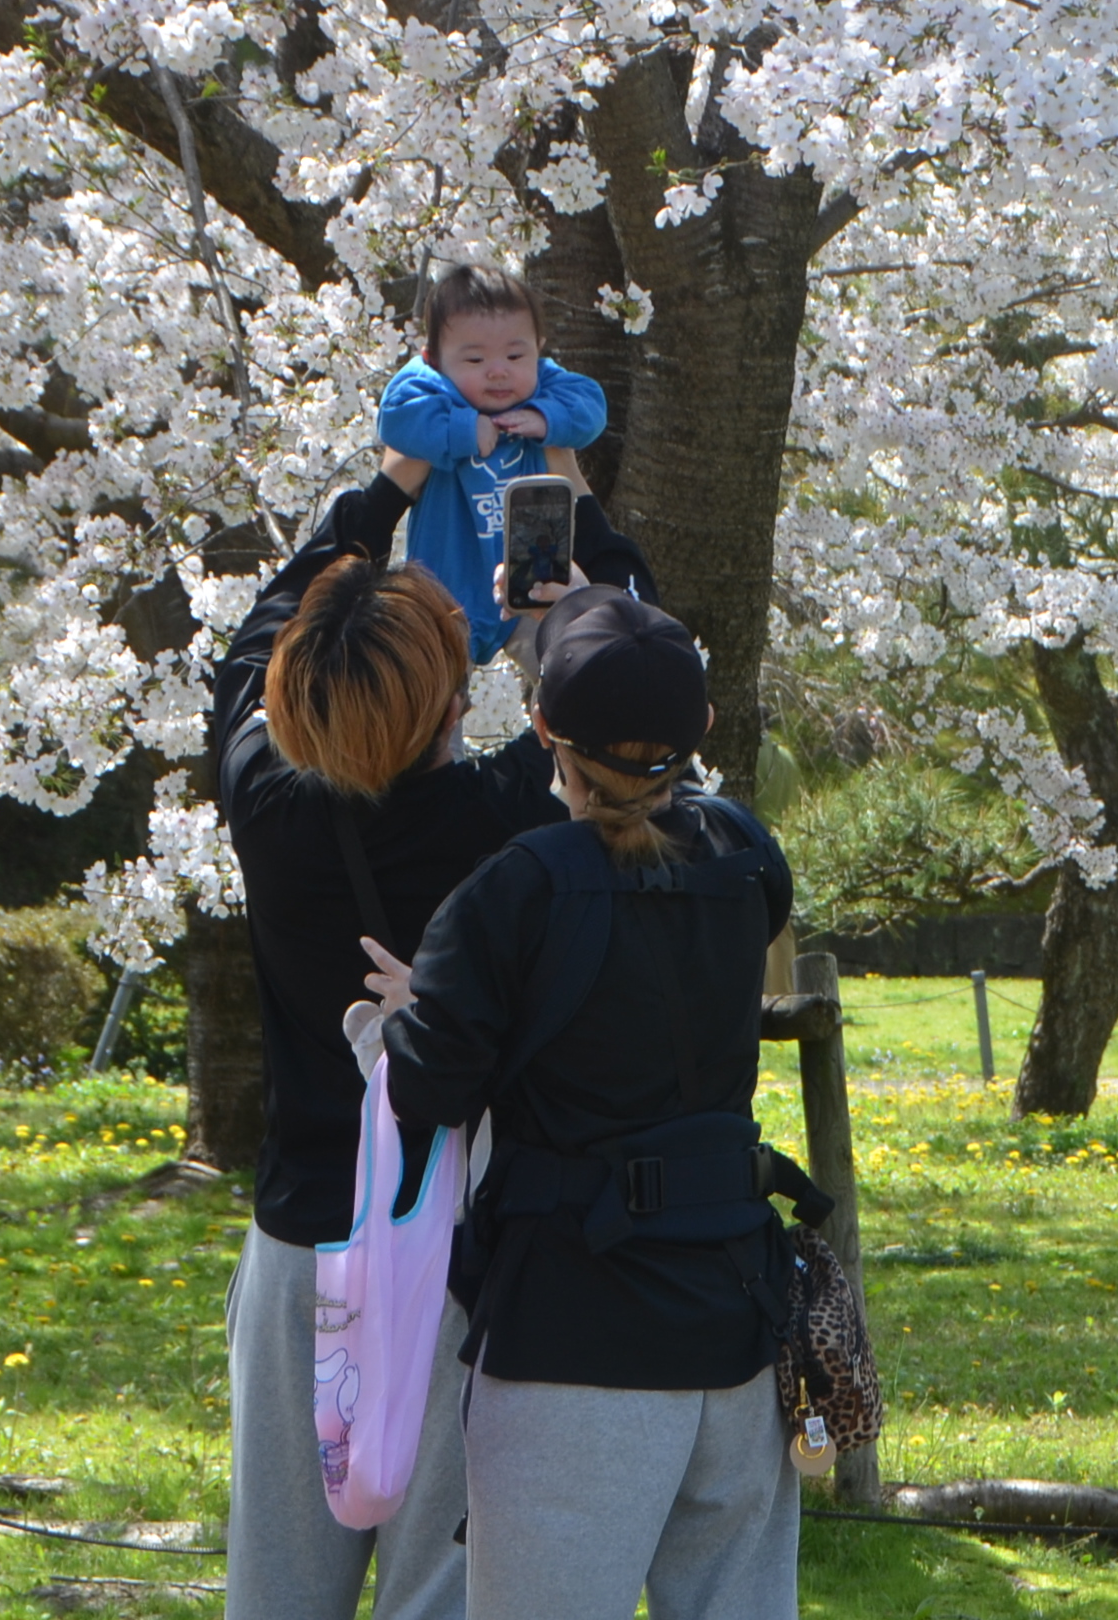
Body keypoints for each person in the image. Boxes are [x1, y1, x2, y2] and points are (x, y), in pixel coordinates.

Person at [211, 446, 655, 1620]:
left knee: (276, 1586)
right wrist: (570, 587)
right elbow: (636, 706)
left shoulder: (264, 804)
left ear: (289, 694)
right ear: (456, 705)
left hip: (303, 1240)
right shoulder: (501, 818)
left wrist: (390, 485)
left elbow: (252, 641)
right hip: (458, 1254)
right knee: (437, 1593)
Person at [359, 585, 800, 1620]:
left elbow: (430, 1091)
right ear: (702, 731)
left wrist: (410, 1014)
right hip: (738, 1320)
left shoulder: (514, 887)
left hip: (573, 1333)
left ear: (545, 726)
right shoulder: (747, 856)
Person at [377, 260, 609, 666]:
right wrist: (464, 430)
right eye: (475, 361)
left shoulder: (545, 386)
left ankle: (565, 728)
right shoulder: (433, 392)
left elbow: (591, 407)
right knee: (433, 702)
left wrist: (544, 419)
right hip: (447, 595)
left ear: (538, 346)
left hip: (533, 584)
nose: (499, 372)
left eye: (516, 355)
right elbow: (395, 416)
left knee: (573, 669)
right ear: (433, 359)